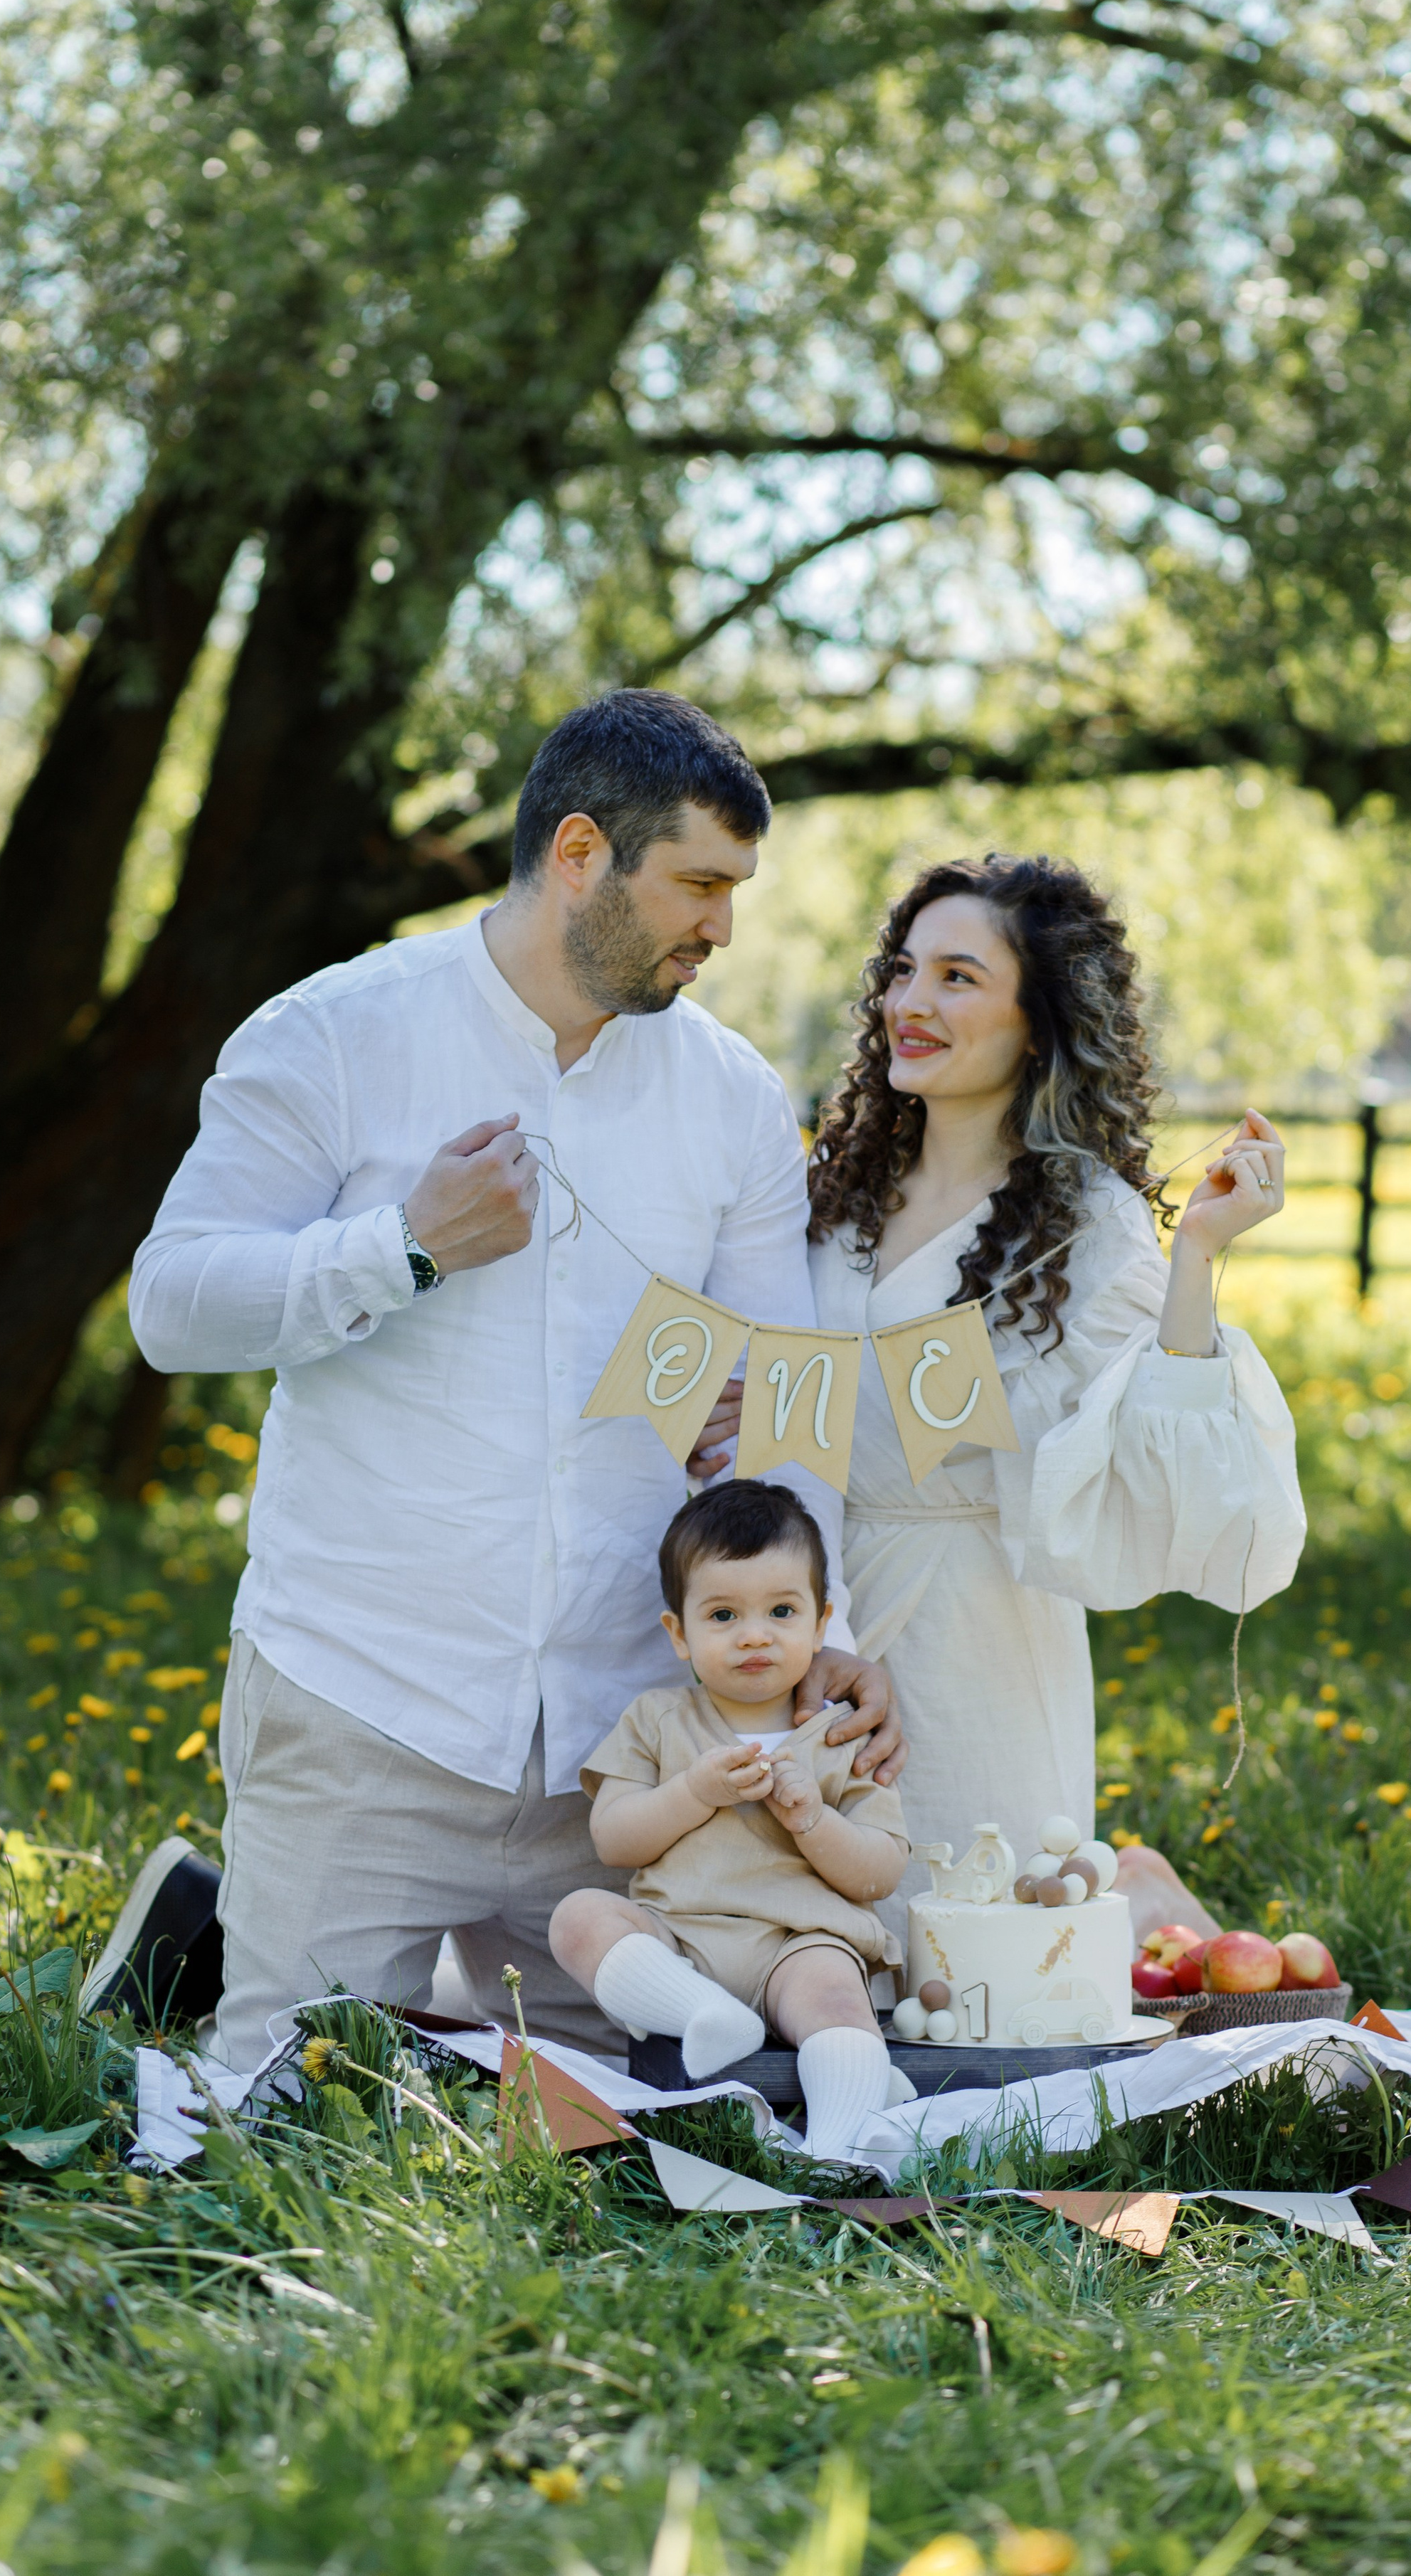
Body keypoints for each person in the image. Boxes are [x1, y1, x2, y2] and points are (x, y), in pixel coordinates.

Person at [111, 691, 901, 2072]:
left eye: (735, 890)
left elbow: (790, 1392)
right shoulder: (337, 1032)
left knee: (641, 2134)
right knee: (279, 2116)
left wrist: (814, 1614)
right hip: (366, 1702)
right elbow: (171, 1305)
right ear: (582, 853)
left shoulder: (727, 1098)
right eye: (700, 885)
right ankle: (208, 1961)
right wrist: (403, 1248)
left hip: (623, 1763)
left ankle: (217, 1953)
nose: (723, 926)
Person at [692, 853, 1305, 1951]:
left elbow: (1138, 1461)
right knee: (799, 1956)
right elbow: (780, 1369)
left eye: (958, 978)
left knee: (973, 1969)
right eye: (904, 971)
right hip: (809, 1603)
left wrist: (1198, 1259)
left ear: (1038, 1023)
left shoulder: (1085, 1226)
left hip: (974, 1620)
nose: (911, 1004)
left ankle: (1136, 1896)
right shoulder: (835, 1189)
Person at [551, 1480, 909, 2158]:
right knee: (578, 1918)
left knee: (836, 1997)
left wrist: (812, 1819)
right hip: (676, 1942)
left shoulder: (842, 1736)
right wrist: (692, 1791)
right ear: (679, 1634)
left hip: (795, 1941)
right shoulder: (656, 1721)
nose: (754, 1636)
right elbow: (614, 1838)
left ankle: (834, 2152)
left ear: (821, 1623)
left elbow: (881, 1871)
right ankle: (699, 2014)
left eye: (780, 1611)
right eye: (722, 1616)